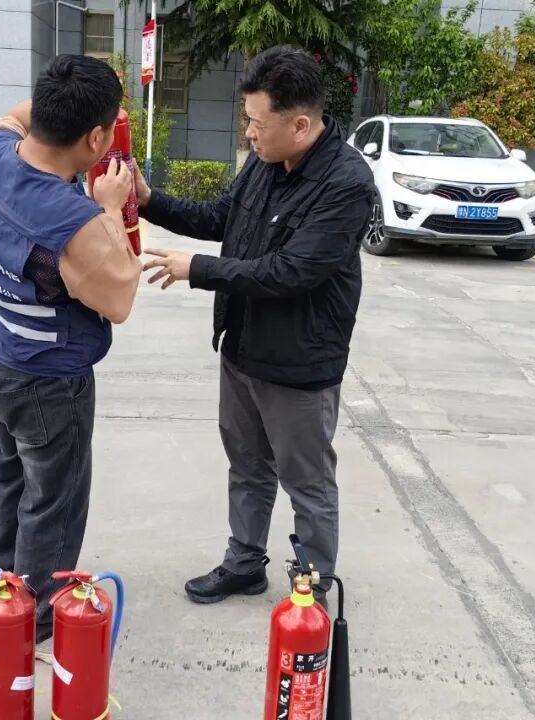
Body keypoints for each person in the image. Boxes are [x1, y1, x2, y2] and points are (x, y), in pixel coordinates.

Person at [139, 46, 373, 604]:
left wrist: (198, 270)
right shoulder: (266, 162)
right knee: (246, 466)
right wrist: (149, 201)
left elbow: (291, 271)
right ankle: (243, 563)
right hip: (243, 349)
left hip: (298, 364)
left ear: (300, 124)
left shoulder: (346, 184)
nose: (248, 133)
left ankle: (311, 591)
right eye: (246, 120)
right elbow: (221, 217)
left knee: (307, 481)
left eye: (256, 123)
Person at [0, 55, 142, 643]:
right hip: (47, 382)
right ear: (95, 138)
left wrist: (76, 102)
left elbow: (18, 117)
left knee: (12, 474)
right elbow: (119, 296)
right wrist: (110, 205)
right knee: (54, 500)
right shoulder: (75, 222)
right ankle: (36, 615)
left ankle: (5, 579)